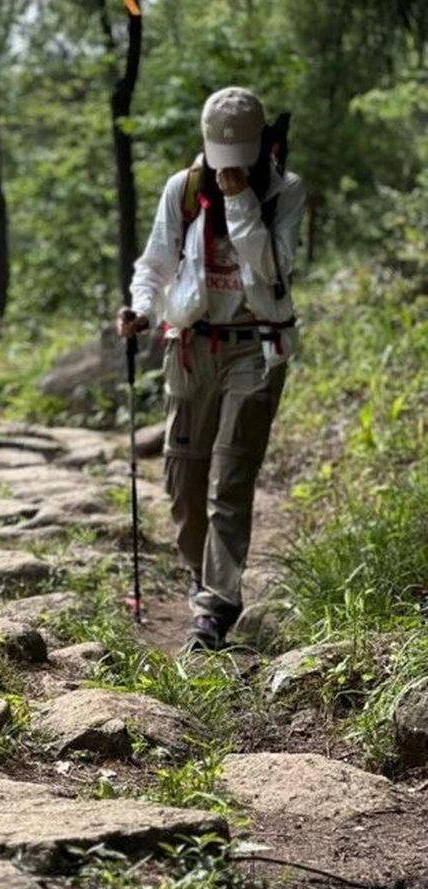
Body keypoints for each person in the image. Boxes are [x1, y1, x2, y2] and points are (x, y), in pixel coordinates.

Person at [117, 86, 306, 651]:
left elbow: (275, 269)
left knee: (230, 478)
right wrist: (142, 312)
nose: (228, 170)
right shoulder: (184, 188)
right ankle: (204, 578)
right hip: (192, 347)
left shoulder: (285, 192)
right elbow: (154, 263)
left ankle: (215, 606)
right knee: (183, 483)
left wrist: (243, 204)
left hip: (256, 346)